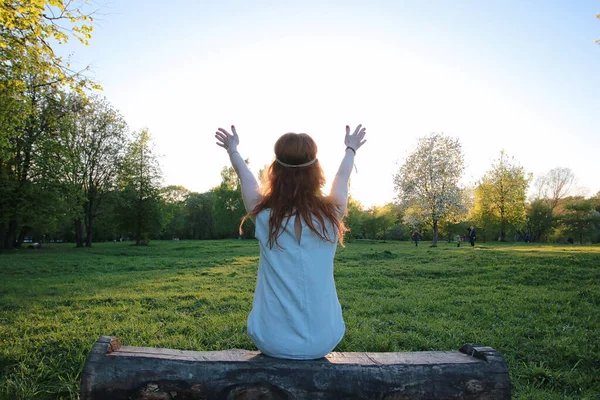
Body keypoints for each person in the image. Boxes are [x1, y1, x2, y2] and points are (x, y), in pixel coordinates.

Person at [214, 124, 367, 360]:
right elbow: (342, 176)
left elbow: (245, 177)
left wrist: (232, 149)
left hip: (271, 341)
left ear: (275, 170)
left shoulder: (264, 214)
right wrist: (351, 148)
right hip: (324, 340)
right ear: (316, 170)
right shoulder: (332, 212)